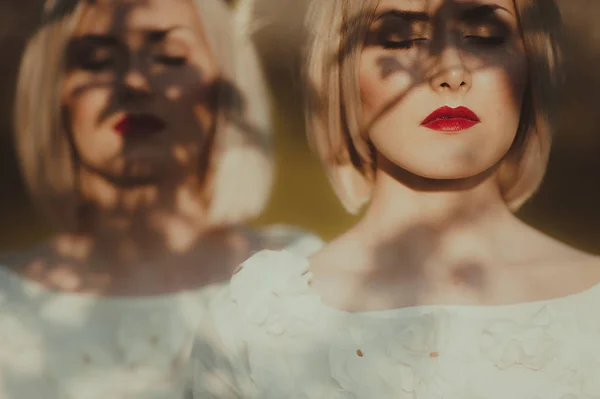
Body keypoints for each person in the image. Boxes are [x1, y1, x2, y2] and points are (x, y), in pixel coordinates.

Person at [188, 0, 600, 397]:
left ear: (531, 64)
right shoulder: (254, 326)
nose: (451, 70)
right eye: (401, 39)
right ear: (342, 71)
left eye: (483, 35)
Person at [0, 0, 322, 397]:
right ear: (55, 95)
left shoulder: (308, 281)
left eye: (169, 56)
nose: (134, 82)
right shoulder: (7, 308)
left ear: (228, 84)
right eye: (98, 60)